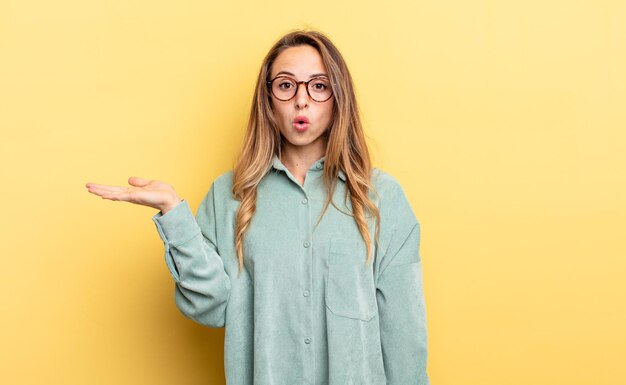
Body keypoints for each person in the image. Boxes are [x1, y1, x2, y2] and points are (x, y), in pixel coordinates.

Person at [86, 30, 429, 385]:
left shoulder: (382, 198)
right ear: (268, 99)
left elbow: (404, 334)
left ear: (337, 97)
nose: (301, 101)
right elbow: (210, 307)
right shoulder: (228, 196)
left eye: (319, 86)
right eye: (285, 86)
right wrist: (175, 216)